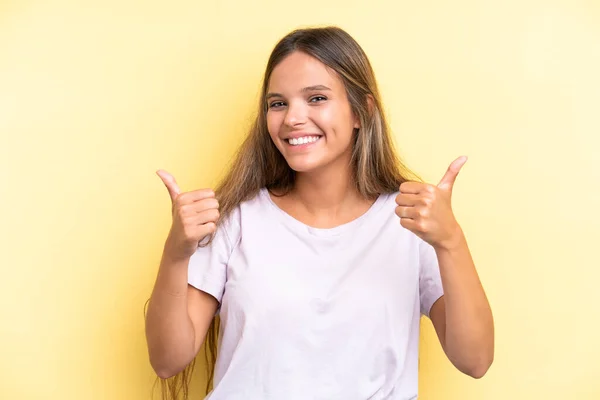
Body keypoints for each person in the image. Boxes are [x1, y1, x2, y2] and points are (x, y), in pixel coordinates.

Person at [145, 26, 494, 400]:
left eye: (316, 98)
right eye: (278, 103)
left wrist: (450, 241)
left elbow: (474, 360)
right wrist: (176, 253)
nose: (293, 117)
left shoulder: (410, 222)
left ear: (363, 112)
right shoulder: (238, 220)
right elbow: (168, 360)